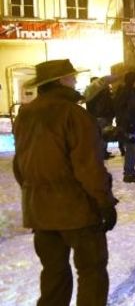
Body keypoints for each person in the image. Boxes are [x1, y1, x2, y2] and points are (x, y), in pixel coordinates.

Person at [13, 59, 119, 306]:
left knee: (53, 272)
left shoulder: (26, 113)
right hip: (76, 209)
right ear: (61, 81)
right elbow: (88, 166)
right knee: (91, 271)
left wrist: (34, 194)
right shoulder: (74, 113)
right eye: (71, 77)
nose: (75, 81)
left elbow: (20, 165)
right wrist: (104, 201)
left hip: (39, 209)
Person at [113, 72, 135, 183]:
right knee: (132, 150)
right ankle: (129, 174)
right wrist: (129, 125)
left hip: (134, 124)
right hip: (130, 125)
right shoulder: (126, 93)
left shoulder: (132, 91)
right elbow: (125, 111)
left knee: (133, 150)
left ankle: (130, 172)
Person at [85, 76, 115, 159]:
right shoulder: (100, 92)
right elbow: (105, 104)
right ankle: (102, 153)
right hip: (102, 115)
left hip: (99, 115)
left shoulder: (90, 92)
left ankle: (103, 152)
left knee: (103, 135)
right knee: (103, 135)